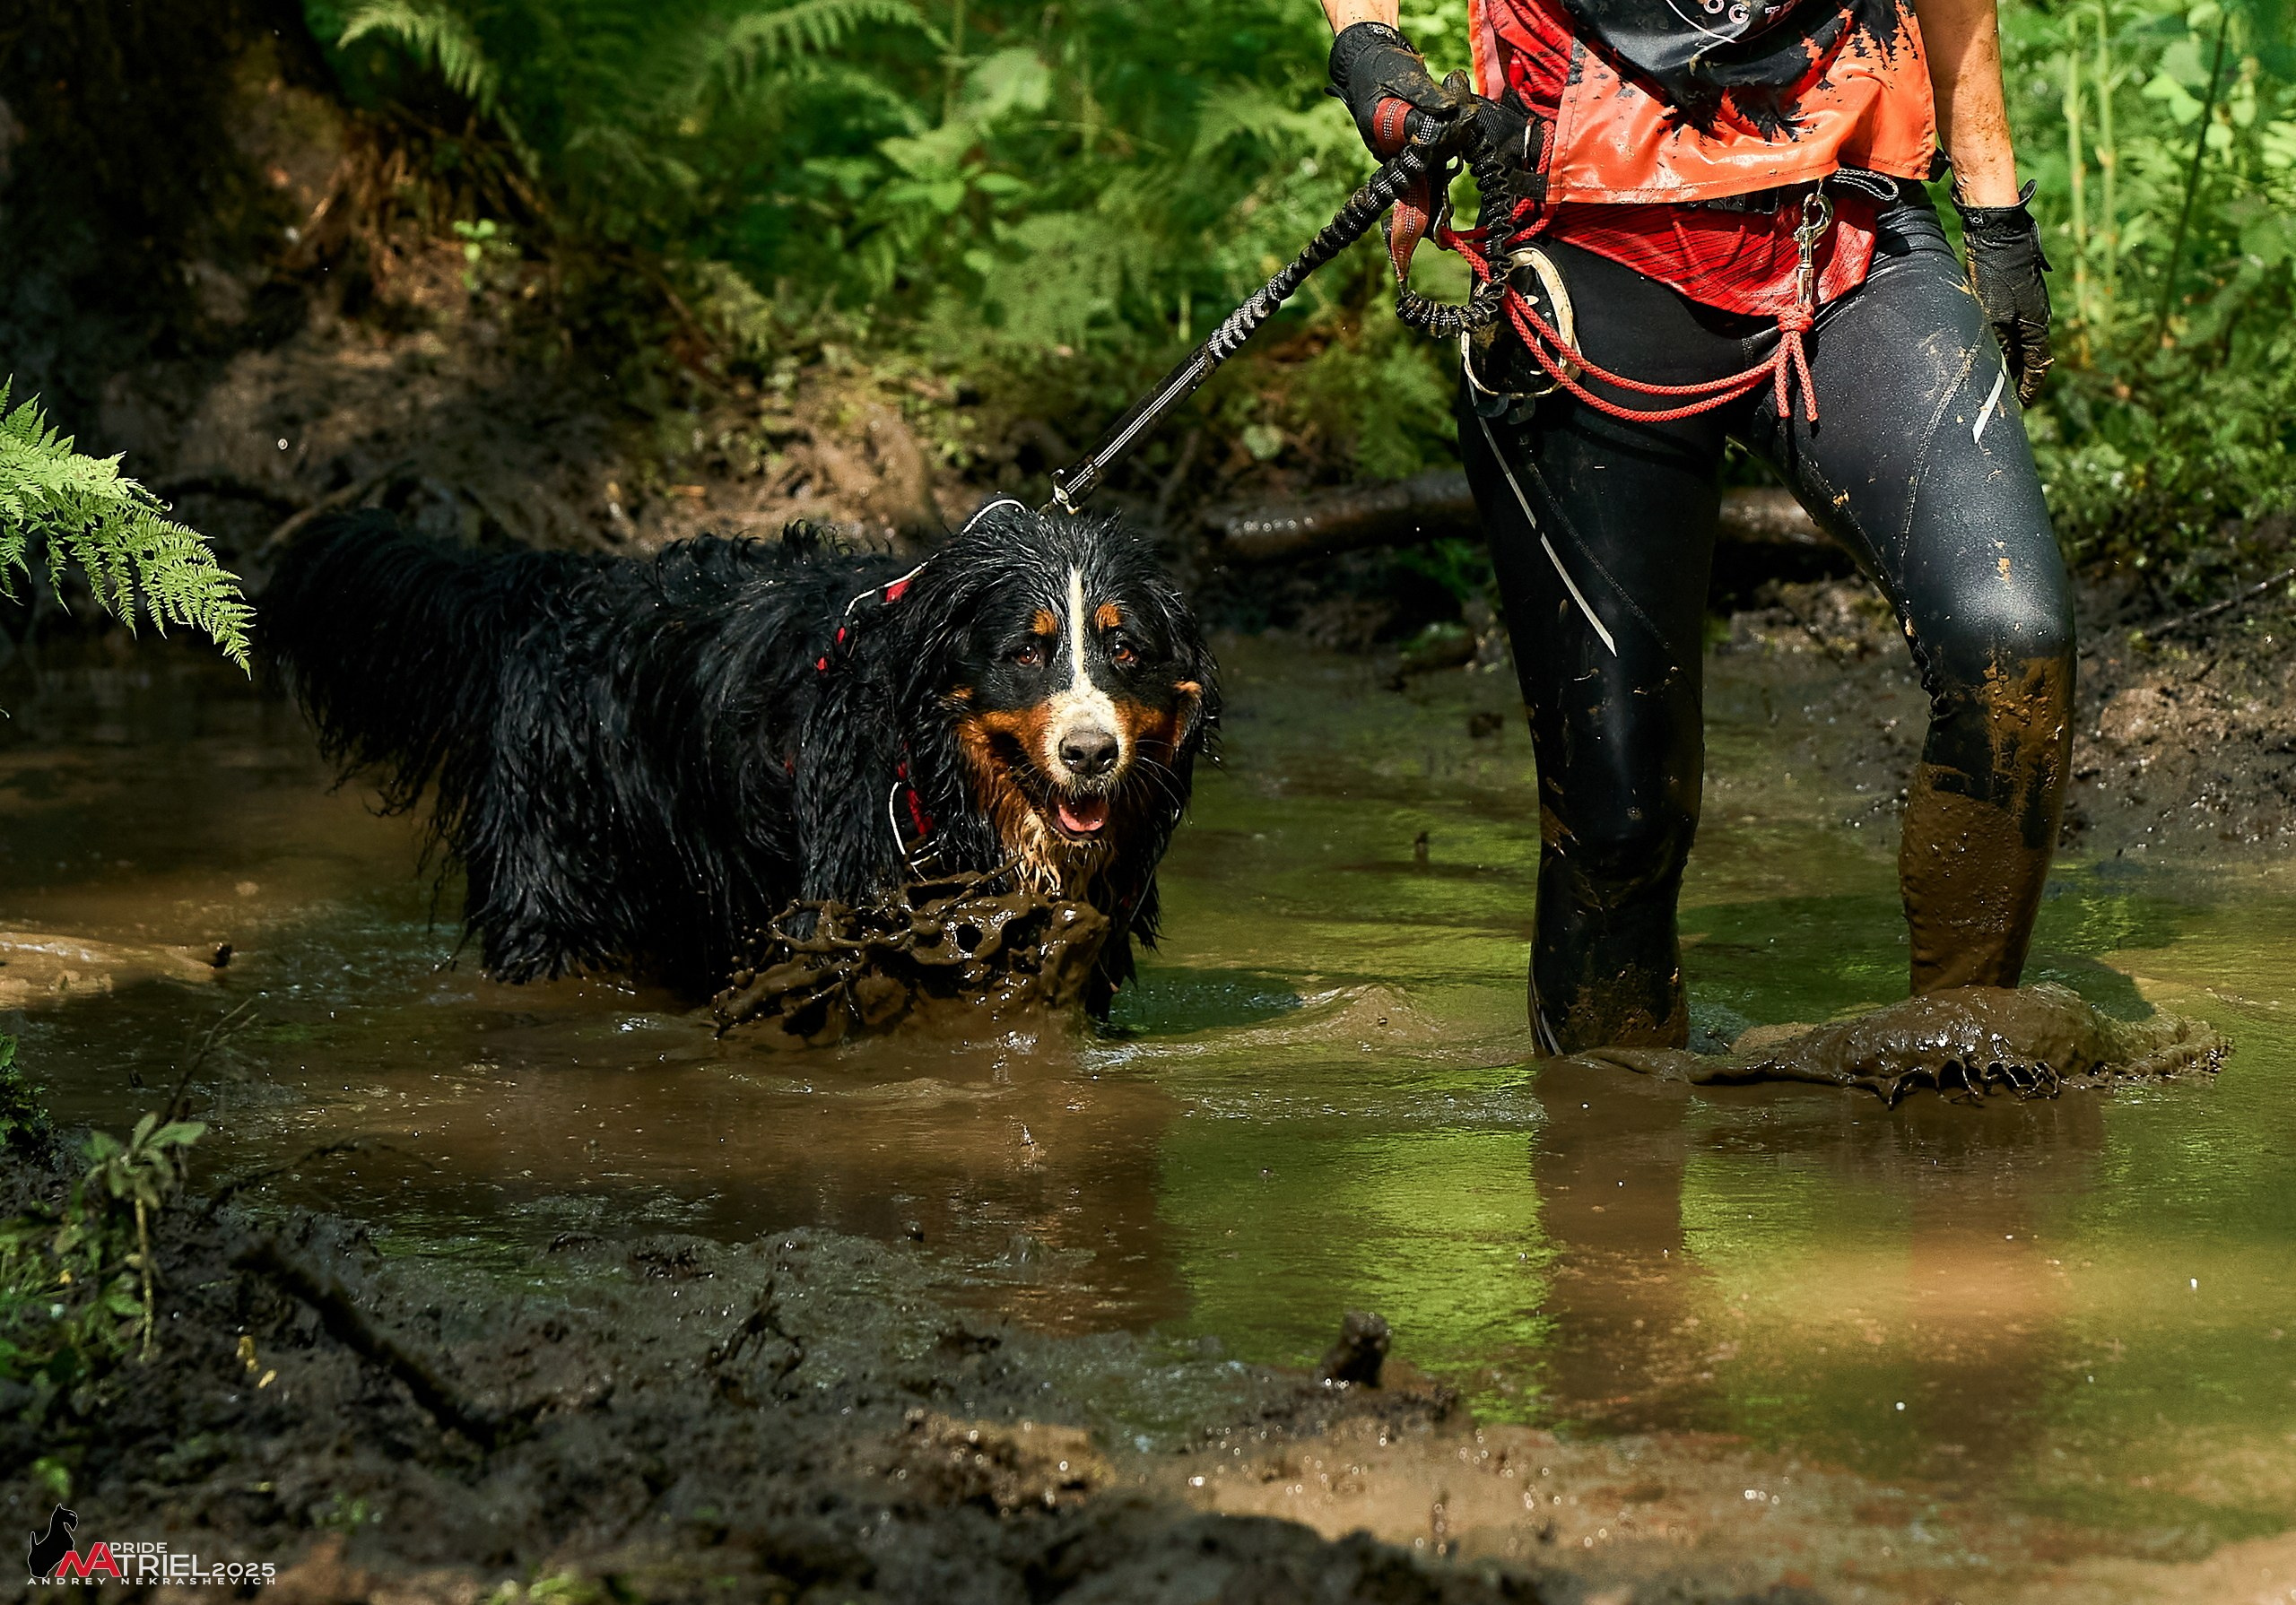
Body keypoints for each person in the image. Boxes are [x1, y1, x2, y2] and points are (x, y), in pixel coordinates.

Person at [1321, 0, 2074, 1053]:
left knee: (2014, 649)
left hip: (1850, 230)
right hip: (1582, 236)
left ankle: (1962, 1099)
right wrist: (1369, 47)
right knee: (1617, 822)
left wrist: (1994, 211)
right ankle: (1608, 1174)